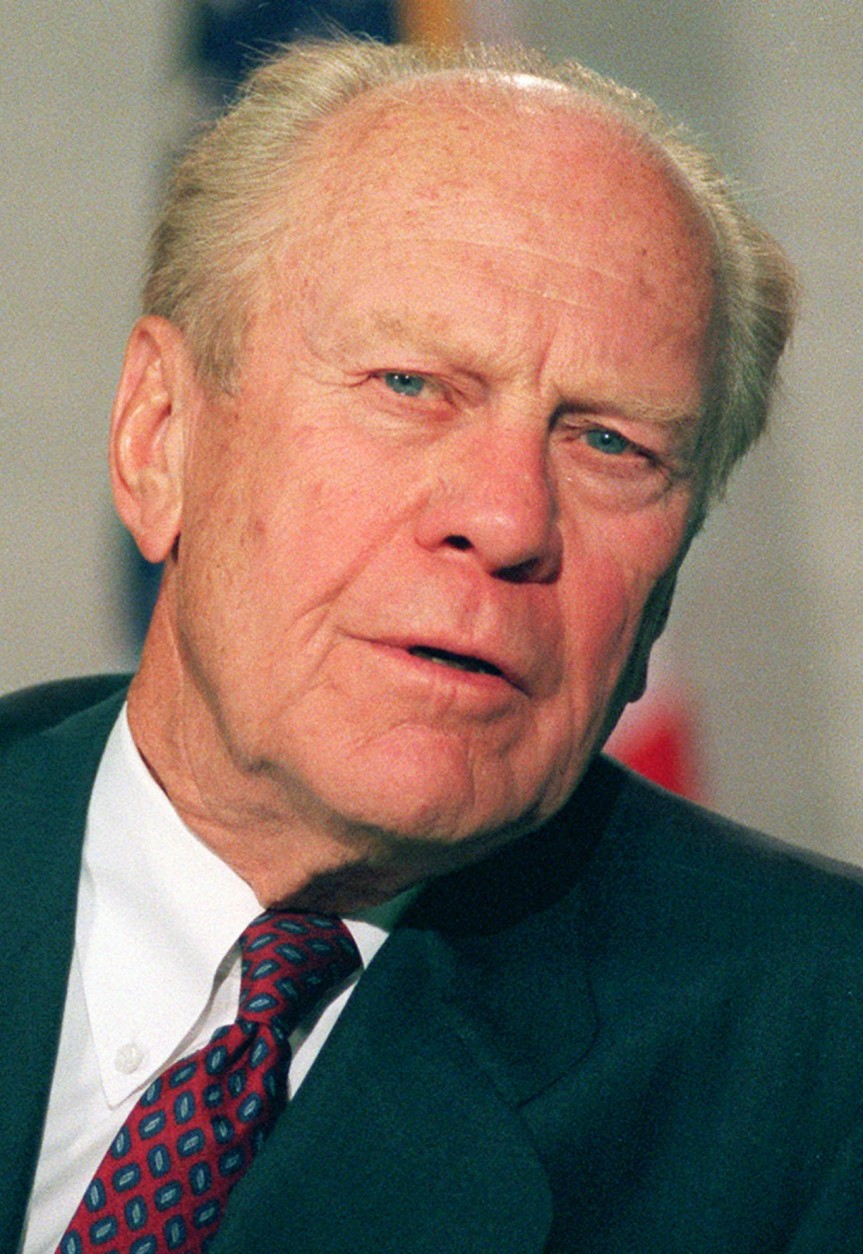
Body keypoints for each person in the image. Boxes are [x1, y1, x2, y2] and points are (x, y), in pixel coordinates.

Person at [4, 38, 861, 1254]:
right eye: (409, 385)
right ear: (160, 437)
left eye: (609, 445)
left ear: (664, 586)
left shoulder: (816, 1071)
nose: (506, 520)